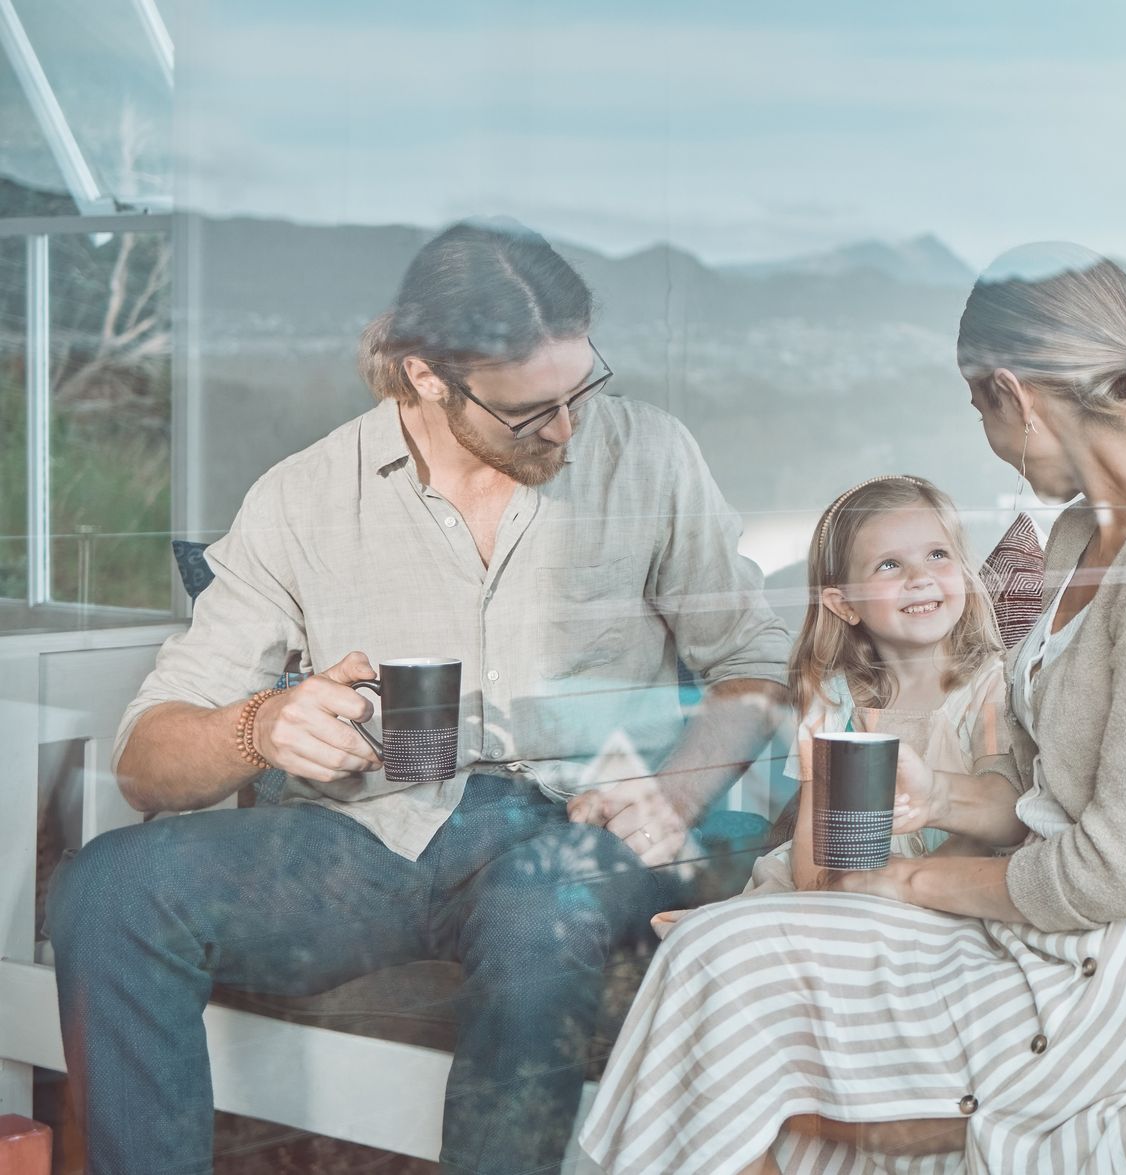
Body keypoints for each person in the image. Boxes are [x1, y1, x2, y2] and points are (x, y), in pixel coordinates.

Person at [44, 220, 791, 1175]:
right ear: (426, 374)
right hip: (368, 844)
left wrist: (678, 790)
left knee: (539, 900)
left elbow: (755, 658)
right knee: (110, 886)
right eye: (531, 412)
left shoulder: (650, 455)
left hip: (582, 824)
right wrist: (261, 726)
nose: (568, 430)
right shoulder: (302, 497)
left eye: (580, 391)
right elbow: (149, 758)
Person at [578, 241, 1126, 1173]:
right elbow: (1046, 792)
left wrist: (909, 883)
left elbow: (1110, 872)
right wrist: (939, 798)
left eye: (980, 409)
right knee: (720, 953)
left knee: (723, 967)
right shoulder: (1087, 531)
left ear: (1015, 392)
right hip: (1053, 922)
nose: (988, 440)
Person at [742, 474, 1012, 897]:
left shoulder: (990, 686)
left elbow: (1003, 815)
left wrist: (902, 888)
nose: (920, 577)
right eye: (890, 564)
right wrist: (833, 896)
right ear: (844, 604)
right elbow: (815, 845)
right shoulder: (832, 700)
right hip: (849, 891)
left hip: (953, 889)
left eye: (938, 554)